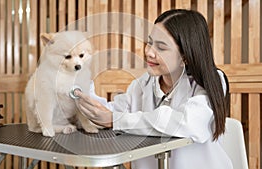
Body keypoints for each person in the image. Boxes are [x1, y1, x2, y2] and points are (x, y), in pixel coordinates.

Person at [74, 9, 233, 169]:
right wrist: (82, 90)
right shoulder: (144, 83)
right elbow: (112, 111)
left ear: (184, 55)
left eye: (161, 48)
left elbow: (188, 123)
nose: (149, 52)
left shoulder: (211, 81)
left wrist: (116, 120)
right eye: (150, 42)